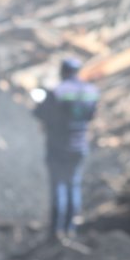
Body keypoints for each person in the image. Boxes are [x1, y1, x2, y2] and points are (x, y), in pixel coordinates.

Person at [33, 57, 100, 240]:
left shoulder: (58, 92)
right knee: (74, 185)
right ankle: (71, 229)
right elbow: (92, 115)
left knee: (59, 187)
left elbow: (40, 113)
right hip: (80, 146)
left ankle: (56, 231)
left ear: (62, 71)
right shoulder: (92, 91)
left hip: (58, 146)